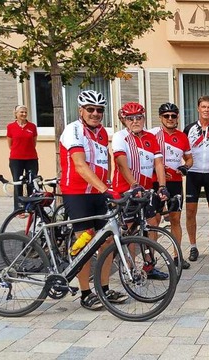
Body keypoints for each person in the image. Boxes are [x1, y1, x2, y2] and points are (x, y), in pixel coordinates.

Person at [59, 90, 127, 310]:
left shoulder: (101, 133)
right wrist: (106, 189)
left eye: (99, 110)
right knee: (85, 243)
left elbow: (104, 161)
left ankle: (104, 289)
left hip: (98, 193)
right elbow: (79, 164)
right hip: (77, 193)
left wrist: (108, 187)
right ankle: (85, 293)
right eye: (90, 109)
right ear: (81, 110)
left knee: (106, 241)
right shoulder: (73, 130)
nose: (95, 113)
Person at [112, 102, 169, 280]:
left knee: (151, 224)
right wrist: (134, 184)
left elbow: (158, 163)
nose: (135, 121)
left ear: (144, 118)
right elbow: (121, 163)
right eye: (130, 118)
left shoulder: (151, 138)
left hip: (146, 192)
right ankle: (130, 269)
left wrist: (162, 186)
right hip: (126, 191)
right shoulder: (120, 137)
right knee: (130, 230)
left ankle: (149, 265)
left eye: (139, 117)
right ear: (124, 120)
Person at [150, 103, 194, 270]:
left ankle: (177, 256)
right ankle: (151, 259)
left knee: (175, 219)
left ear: (177, 117)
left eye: (173, 116)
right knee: (154, 220)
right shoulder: (153, 135)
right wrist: (158, 170)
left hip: (175, 183)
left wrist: (185, 167)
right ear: (161, 118)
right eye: (166, 116)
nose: (170, 119)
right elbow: (149, 158)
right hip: (156, 182)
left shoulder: (182, 137)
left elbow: (190, 159)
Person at [183, 96, 209, 263]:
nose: (206, 110)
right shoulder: (189, 129)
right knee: (190, 213)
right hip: (193, 174)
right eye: (203, 107)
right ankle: (193, 247)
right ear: (198, 109)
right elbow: (183, 151)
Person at [7, 105, 39, 210]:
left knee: (31, 183)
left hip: (31, 158)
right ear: (16, 113)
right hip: (16, 159)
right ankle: (19, 208)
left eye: (25, 112)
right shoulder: (10, 127)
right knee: (18, 183)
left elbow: (33, 142)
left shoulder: (32, 126)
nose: (24, 114)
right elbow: (10, 144)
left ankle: (31, 207)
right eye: (21, 112)